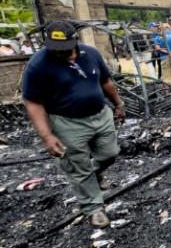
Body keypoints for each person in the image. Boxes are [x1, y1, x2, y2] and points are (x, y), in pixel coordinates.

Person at [22, 21, 126, 228]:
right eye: (54, 48)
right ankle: (93, 208)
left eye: (64, 48)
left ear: (75, 41)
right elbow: (33, 102)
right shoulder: (38, 64)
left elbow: (105, 81)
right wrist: (47, 136)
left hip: (100, 115)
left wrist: (118, 104)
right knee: (78, 166)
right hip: (66, 122)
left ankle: (95, 172)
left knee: (110, 153)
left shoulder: (91, 54)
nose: (58, 53)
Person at [153, 23, 171, 91]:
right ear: (169, 28)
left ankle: (167, 93)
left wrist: (168, 53)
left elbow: (157, 47)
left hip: (165, 59)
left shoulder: (158, 37)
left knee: (166, 77)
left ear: (162, 29)